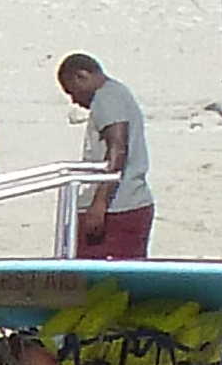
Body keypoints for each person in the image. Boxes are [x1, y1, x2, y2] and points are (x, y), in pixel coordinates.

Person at [55, 52, 153, 258]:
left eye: (72, 91)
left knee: (104, 283)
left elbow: (117, 149)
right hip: (123, 205)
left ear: (82, 77)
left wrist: (99, 205)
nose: (74, 100)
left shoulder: (107, 97)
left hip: (118, 208)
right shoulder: (116, 93)